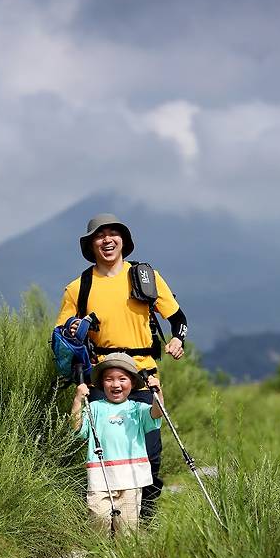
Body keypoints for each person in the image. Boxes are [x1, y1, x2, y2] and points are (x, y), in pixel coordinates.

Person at [57, 213, 187, 515]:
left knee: (151, 453)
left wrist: (178, 340)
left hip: (143, 375)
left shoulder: (145, 277)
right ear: (91, 245)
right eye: (100, 236)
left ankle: (145, 519)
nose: (107, 240)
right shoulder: (79, 287)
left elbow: (178, 320)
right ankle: (106, 521)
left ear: (124, 242)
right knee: (104, 452)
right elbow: (61, 338)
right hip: (101, 376)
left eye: (114, 234)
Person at [71, 353, 163, 532]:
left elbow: (157, 413)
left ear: (132, 383)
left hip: (131, 478)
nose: (115, 384)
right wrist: (77, 401)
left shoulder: (137, 409)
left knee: (127, 527)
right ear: (102, 383)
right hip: (100, 476)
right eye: (109, 379)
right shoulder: (95, 407)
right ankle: (101, 555)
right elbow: (77, 431)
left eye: (122, 379)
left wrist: (157, 392)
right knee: (98, 517)